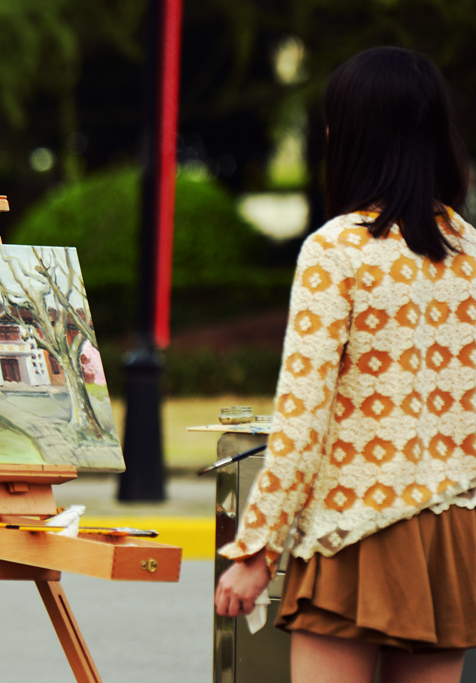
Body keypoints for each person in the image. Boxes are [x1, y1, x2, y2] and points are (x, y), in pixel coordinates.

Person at [214, 47, 476, 682]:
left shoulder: (336, 250)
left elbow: (303, 418)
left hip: (357, 528)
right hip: (455, 534)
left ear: (355, 133)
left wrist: (256, 550)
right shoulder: (469, 250)